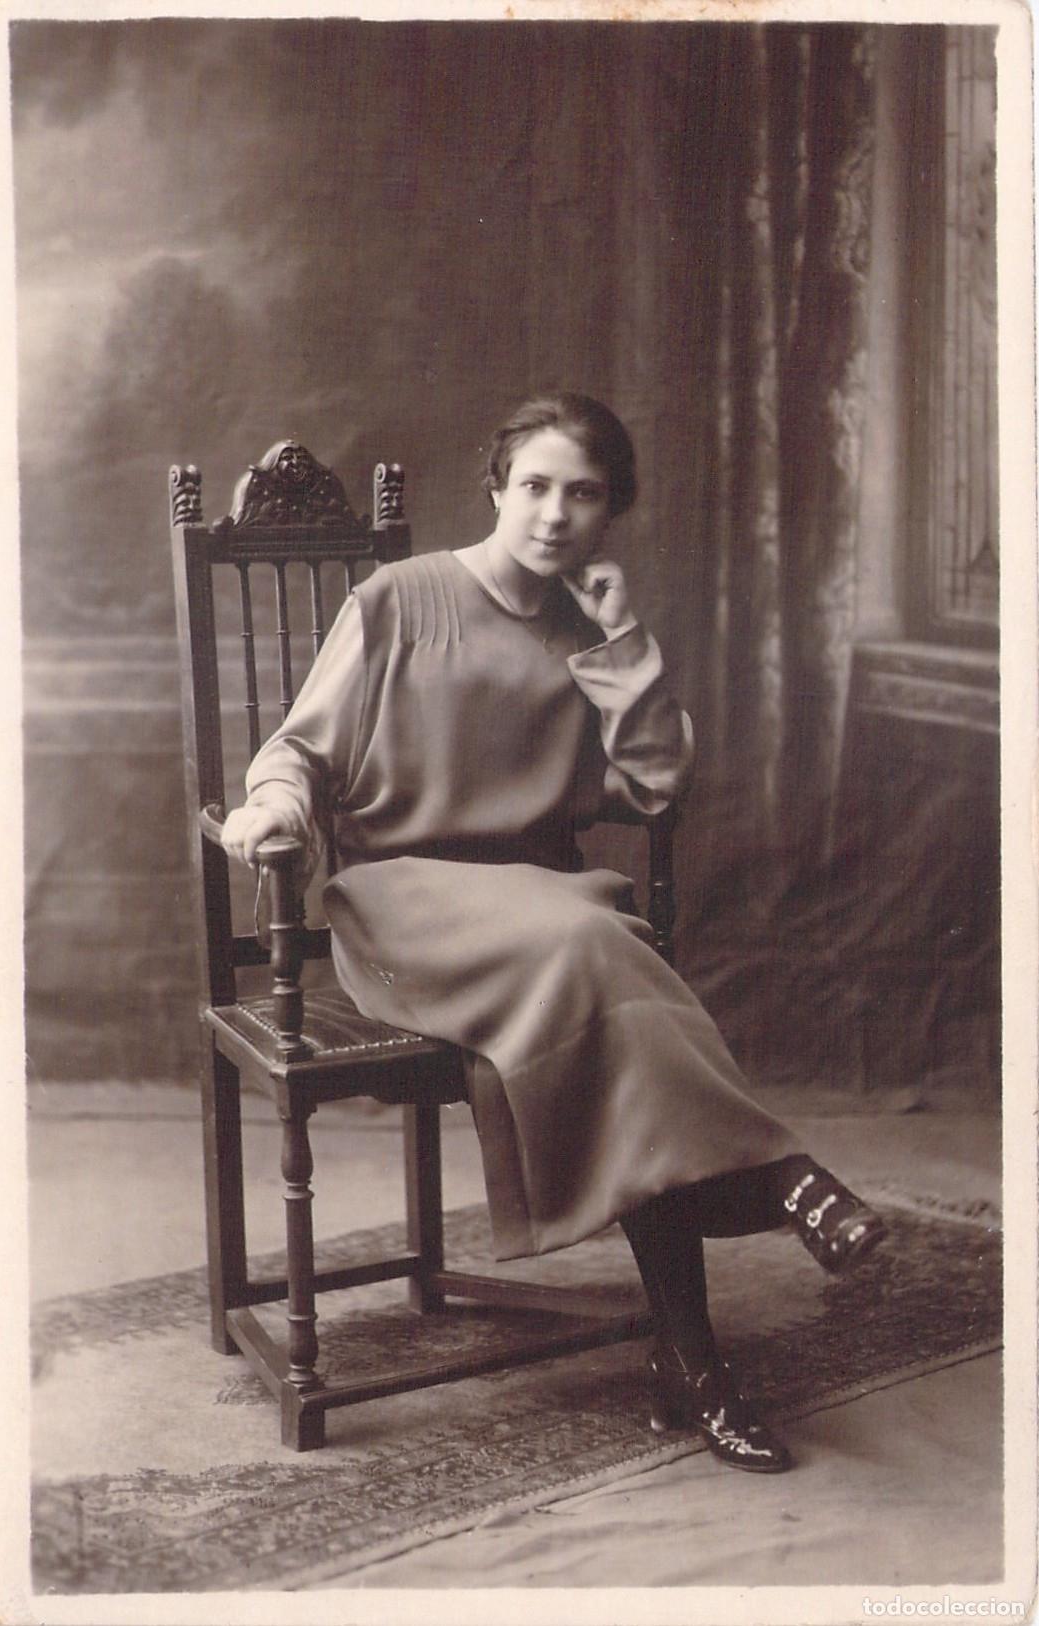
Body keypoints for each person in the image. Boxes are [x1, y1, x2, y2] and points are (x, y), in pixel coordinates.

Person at [222, 391, 886, 1475]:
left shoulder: (589, 629)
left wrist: (622, 640)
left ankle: (694, 1360)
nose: (553, 513)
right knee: (608, 957)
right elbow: (299, 746)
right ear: (496, 488)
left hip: (538, 910)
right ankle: (777, 1184)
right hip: (403, 908)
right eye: (534, 485)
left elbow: (654, 787)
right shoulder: (401, 597)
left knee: (614, 1006)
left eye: (583, 493)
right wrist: (275, 808)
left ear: (608, 511)